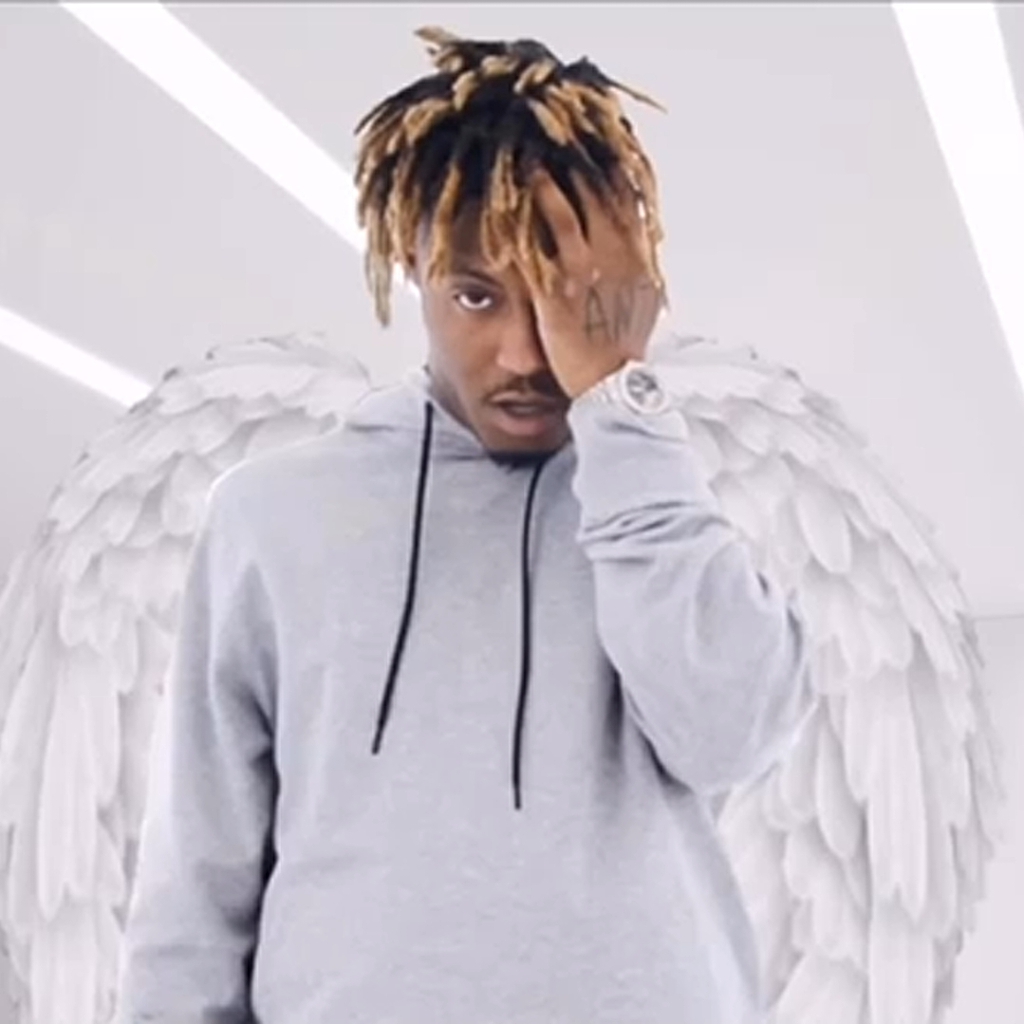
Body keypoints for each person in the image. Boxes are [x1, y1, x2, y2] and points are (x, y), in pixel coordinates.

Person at [118, 26, 813, 1024]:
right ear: (413, 265)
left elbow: (731, 737)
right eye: (478, 295)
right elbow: (193, 885)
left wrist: (621, 404)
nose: (526, 353)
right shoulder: (272, 516)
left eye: (562, 299)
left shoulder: (674, 502)